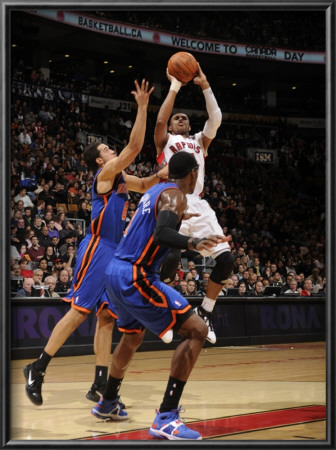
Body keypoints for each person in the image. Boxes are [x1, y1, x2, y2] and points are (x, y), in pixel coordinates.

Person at [23, 78, 166, 408]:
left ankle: (99, 383)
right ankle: (37, 368)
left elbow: (143, 184)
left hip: (116, 251)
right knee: (78, 313)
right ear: (100, 162)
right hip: (98, 247)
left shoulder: (119, 179)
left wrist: (162, 176)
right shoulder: (102, 177)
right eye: (106, 150)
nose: (111, 149)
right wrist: (143, 107)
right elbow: (132, 149)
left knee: (106, 318)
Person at [94, 151, 227, 439]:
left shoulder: (155, 191)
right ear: (193, 173)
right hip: (136, 275)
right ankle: (166, 416)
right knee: (197, 330)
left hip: (114, 271)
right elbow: (161, 233)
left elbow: (157, 223)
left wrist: (181, 217)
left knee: (132, 337)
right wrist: (194, 241)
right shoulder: (176, 194)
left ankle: (108, 401)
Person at [154, 63, 235, 345]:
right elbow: (160, 122)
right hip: (171, 201)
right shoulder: (166, 141)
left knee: (227, 260)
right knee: (172, 257)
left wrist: (204, 85)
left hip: (198, 204)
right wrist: (174, 87)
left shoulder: (200, 142)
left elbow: (216, 119)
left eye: (184, 117)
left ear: (189, 125)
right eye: (177, 117)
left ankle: (206, 311)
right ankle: (160, 312)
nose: (179, 118)